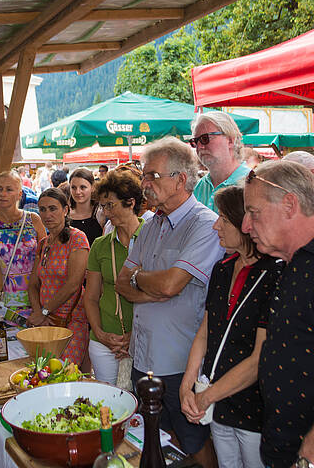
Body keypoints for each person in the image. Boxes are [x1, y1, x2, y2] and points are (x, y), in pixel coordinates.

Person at [116, 136, 224, 467]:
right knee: (156, 439)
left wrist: (148, 280)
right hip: (144, 356)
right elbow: (122, 282)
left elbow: (173, 284)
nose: (144, 183)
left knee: (195, 442)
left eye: (152, 176)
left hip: (180, 360)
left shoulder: (205, 225)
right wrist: (155, 284)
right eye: (144, 175)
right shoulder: (150, 225)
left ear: (180, 179)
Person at [180, 186, 281, 468]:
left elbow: (259, 359)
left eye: (223, 219)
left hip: (252, 405)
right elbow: (206, 330)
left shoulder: (276, 273)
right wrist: (187, 385)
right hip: (216, 402)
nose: (216, 225)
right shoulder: (223, 268)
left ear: (243, 223)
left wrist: (203, 397)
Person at [242, 161, 314, 468]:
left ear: (289, 204)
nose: (245, 225)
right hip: (281, 444)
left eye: (253, 212)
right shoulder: (287, 264)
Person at [84, 170, 144, 384]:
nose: (106, 212)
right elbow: (90, 297)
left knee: (140, 409)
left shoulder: (153, 238)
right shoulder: (100, 245)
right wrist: (100, 334)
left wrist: (133, 338)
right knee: (108, 407)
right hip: (104, 342)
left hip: (143, 341)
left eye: (111, 205)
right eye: (103, 206)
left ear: (130, 202)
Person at [27, 188, 90, 367]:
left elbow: (74, 284)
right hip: (46, 322)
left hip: (71, 321)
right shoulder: (43, 243)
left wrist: (44, 311)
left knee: (64, 373)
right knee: (46, 374)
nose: (47, 214)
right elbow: (33, 284)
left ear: (65, 209)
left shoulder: (77, 239)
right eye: (42, 209)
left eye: (53, 208)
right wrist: (38, 312)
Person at [0, 171, 45, 324]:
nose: (3, 193)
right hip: (7, 299)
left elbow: (45, 257)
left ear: (19, 194)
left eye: (9, 189)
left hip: (37, 295)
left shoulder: (33, 219)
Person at [190, 111, 250, 213]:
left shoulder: (251, 185)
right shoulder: (199, 187)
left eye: (205, 138)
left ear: (230, 140)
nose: (199, 146)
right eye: (195, 141)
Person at [69, 168, 103, 247]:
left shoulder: (101, 214)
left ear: (93, 187)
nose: (78, 192)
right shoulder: (65, 215)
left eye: (83, 187)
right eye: (73, 187)